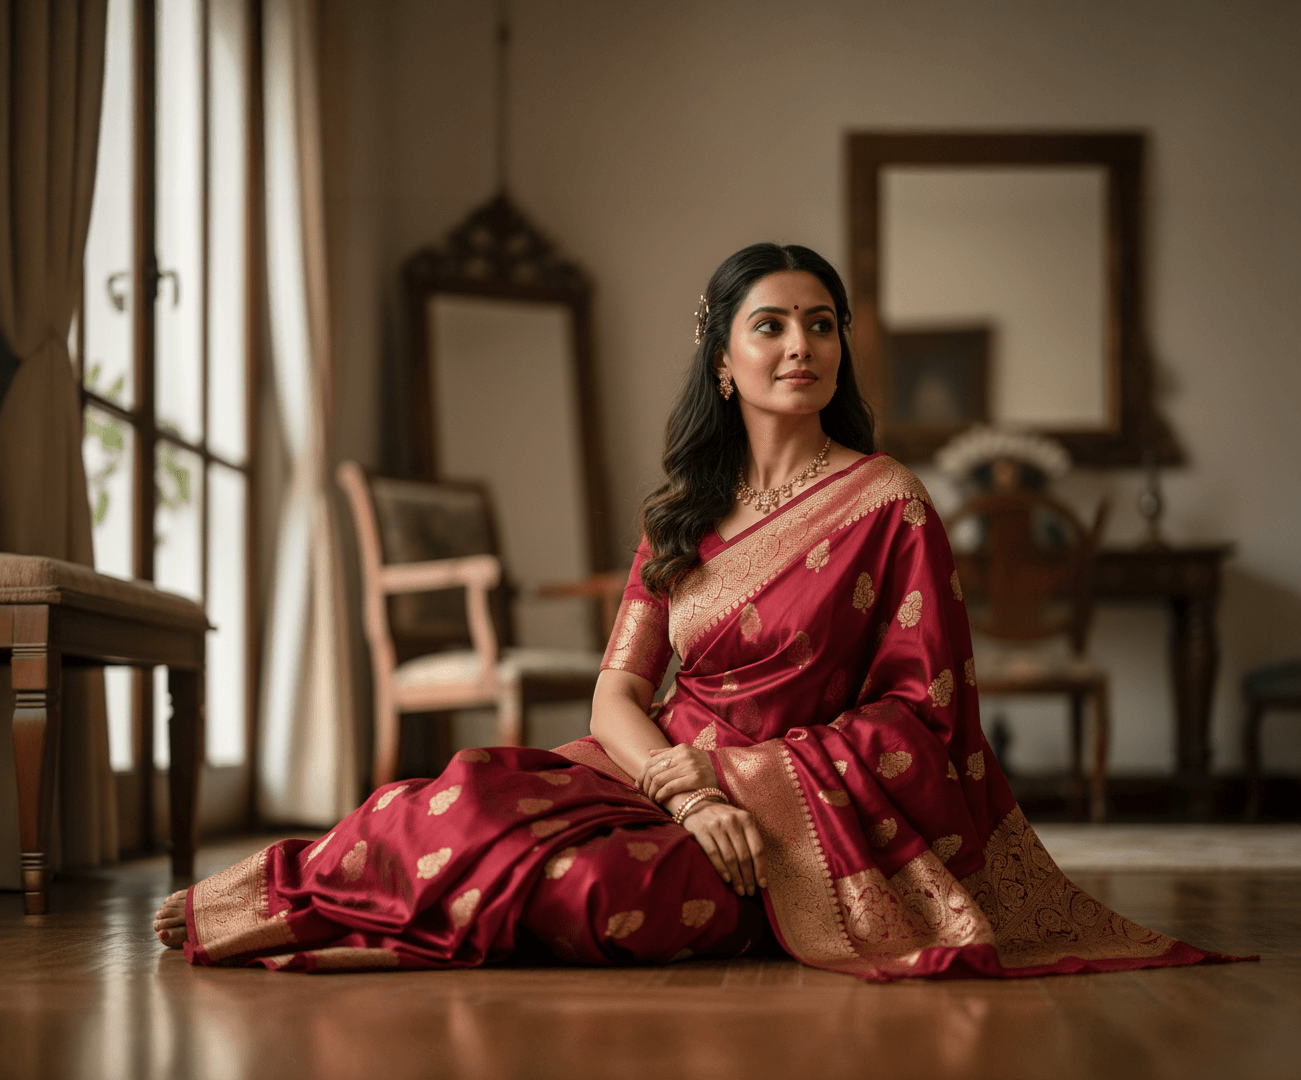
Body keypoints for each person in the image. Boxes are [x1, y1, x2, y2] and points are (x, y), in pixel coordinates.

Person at [155, 242, 1242, 980]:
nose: (800, 346)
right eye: (770, 326)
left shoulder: (888, 501)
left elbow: (926, 720)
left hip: (787, 812)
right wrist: (682, 785)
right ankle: (295, 894)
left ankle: (376, 929)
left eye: (822, 325)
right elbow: (621, 689)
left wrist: (734, 786)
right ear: (723, 357)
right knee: (459, 794)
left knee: (591, 890)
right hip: (654, 771)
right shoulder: (683, 512)